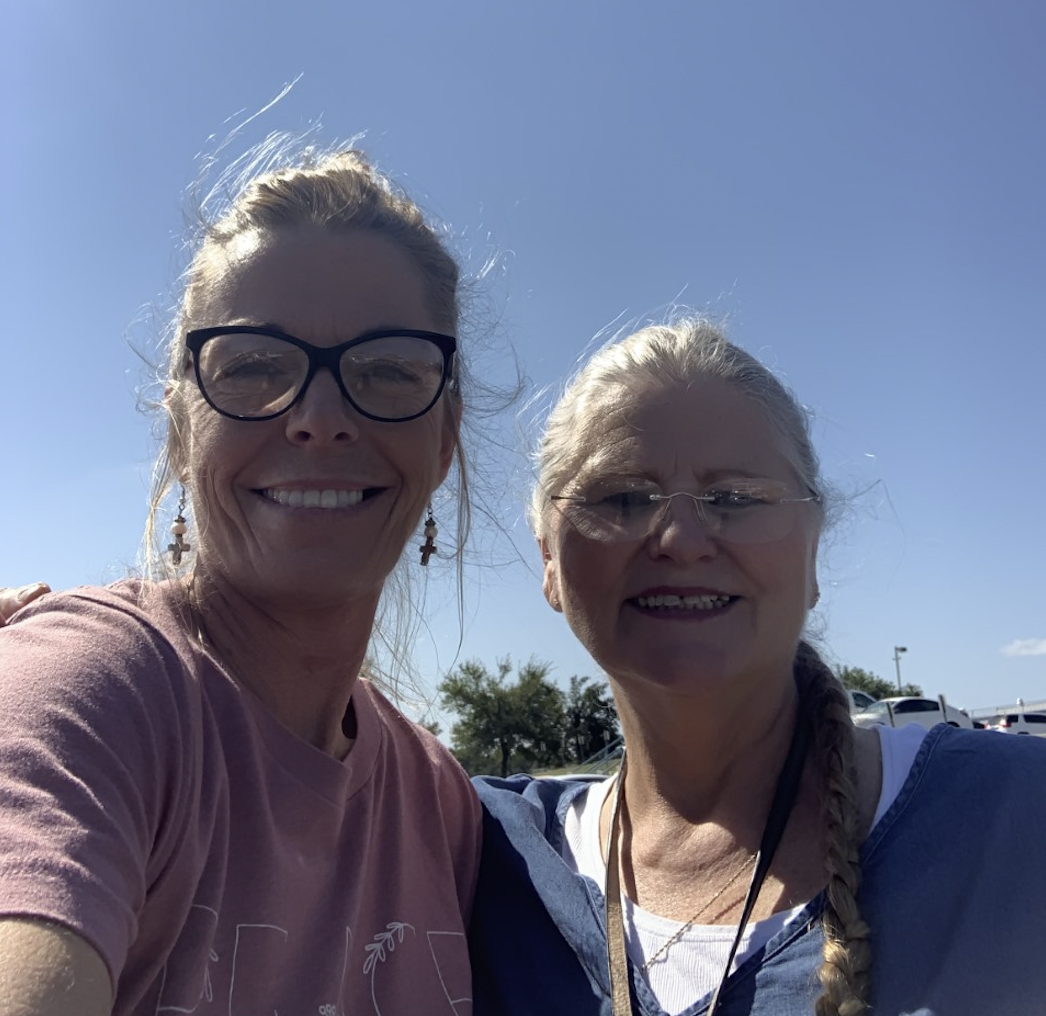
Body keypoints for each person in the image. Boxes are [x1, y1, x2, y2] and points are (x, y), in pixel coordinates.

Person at [0, 146, 482, 1015]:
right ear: (183, 431)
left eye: (387, 371)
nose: (319, 419)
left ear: (443, 439)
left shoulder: (439, 803)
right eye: (255, 365)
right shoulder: (88, 697)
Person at [469, 318, 1046, 1016]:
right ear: (549, 561)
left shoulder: (1011, 815)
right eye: (623, 498)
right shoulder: (484, 851)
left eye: (735, 499)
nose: (681, 539)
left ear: (812, 552)